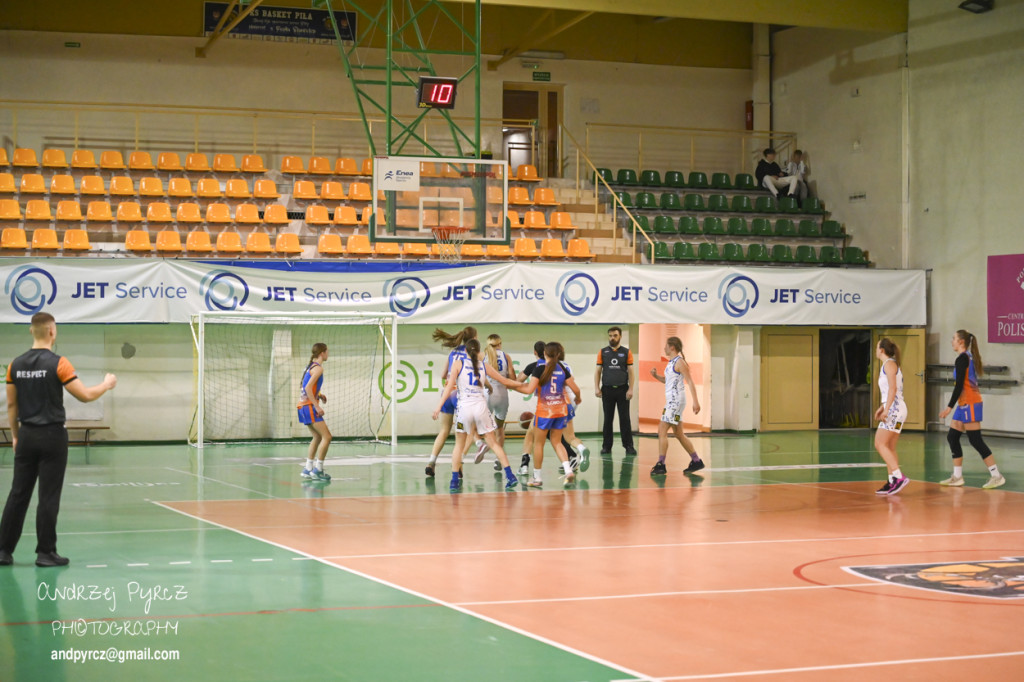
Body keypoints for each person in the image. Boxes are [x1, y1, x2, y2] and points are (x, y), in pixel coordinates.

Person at [0, 312, 117, 567]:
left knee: (18, 494)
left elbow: (11, 405)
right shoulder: (59, 363)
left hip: (27, 435)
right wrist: (106, 384)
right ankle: (45, 553)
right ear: (52, 331)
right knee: (48, 496)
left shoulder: (15, 365)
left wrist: (16, 437)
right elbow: (85, 395)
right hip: (52, 436)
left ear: (32, 331)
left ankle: (3, 551)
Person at [432, 339, 518, 492]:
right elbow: (506, 381)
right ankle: (510, 476)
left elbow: (448, 386)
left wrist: (438, 407)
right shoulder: (484, 366)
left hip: (464, 407)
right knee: (493, 443)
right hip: (480, 407)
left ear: (465, 351)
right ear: (480, 352)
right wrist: (525, 386)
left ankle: (454, 481)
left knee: (459, 445)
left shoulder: (458, 364)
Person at [500, 342, 580, 487]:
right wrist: (578, 399)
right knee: (557, 442)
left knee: (539, 444)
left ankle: (537, 477)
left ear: (544, 354)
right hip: (560, 410)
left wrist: (511, 385)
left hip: (545, 412)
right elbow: (576, 389)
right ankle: (568, 471)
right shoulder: (562, 368)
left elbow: (529, 390)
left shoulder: (539, 369)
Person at [938, 330, 1004, 489]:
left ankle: (996, 475)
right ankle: (957, 476)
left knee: (975, 440)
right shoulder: (966, 357)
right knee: (952, 437)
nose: (951, 341)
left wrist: (948, 407)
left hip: (971, 403)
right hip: (963, 403)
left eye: (953, 338)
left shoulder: (962, 359)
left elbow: (959, 385)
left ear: (961, 341)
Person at [425, 326, 487, 478]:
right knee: (464, 434)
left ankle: (431, 462)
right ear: (475, 339)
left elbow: (442, 374)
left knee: (444, 431)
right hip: (462, 396)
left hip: (447, 393)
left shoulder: (452, 353)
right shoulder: (477, 355)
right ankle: (460, 466)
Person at [649, 336, 704, 476]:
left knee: (662, 430)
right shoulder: (671, 362)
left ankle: (661, 464)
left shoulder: (680, 362)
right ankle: (696, 461)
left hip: (675, 402)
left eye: (666, 345)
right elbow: (667, 381)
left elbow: (690, 382)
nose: (664, 348)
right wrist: (656, 376)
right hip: (673, 402)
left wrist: (696, 401)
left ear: (672, 346)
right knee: (679, 434)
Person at [873, 338, 910, 495]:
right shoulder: (888, 364)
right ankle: (892, 481)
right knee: (889, 446)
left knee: (879, 444)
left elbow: (893, 389)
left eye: (876, 347)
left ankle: (898, 477)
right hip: (896, 408)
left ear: (881, 350)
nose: (875, 349)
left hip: (895, 410)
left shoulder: (889, 364)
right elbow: (891, 390)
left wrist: (887, 410)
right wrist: (882, 407)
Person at [595, 326, 636, 456]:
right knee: (608, 419)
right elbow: (597, 371)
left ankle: (628, 446)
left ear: (620, 337)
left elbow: (631, 372)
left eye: (615, 335)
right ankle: (606, 446)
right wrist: (597, 387)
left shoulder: (626, 352)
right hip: (607, 390)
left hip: (623, 390)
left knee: (625, 419)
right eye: (610, 335)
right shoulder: (602, 352)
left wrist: (630, 389)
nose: (612, 338)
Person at [298, 343, 332, 482]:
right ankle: (318, 470)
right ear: (322, 353)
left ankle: (308, 468)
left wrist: (319, 394)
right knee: (327, 437)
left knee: (317, 437)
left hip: (302, 407)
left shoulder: (310, 366)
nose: (328, 354)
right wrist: (317, 406)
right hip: (309, 407)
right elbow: (307, 387)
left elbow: (304, 386)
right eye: (327, 352)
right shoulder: (318, 369)